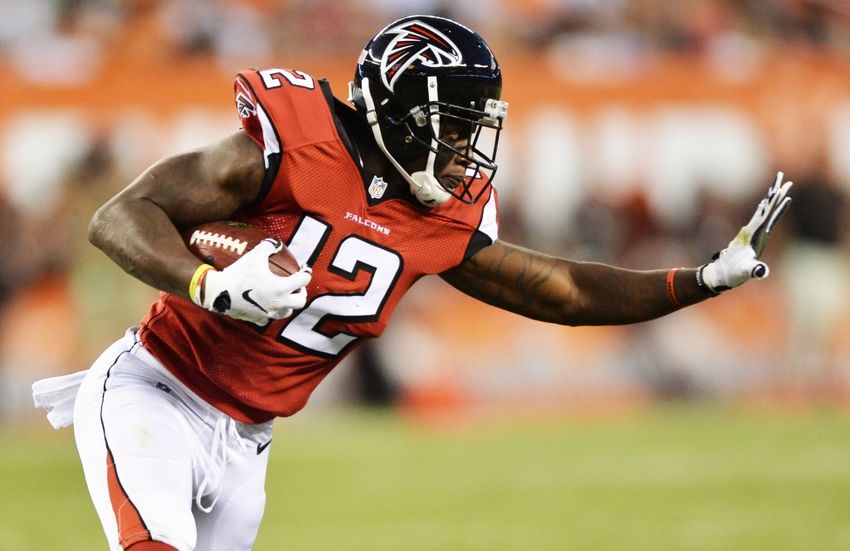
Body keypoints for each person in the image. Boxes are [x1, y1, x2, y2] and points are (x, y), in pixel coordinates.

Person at [32, 14, 792, 551]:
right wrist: (208, 284)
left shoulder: (439, 215)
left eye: (474, 125)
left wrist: (697, 279)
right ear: (397, 112)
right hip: (155, 390)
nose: (467, 146)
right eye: (453, 123)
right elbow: (120, 216)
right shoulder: (293, 147)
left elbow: (560, 288)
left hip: (249, 443)